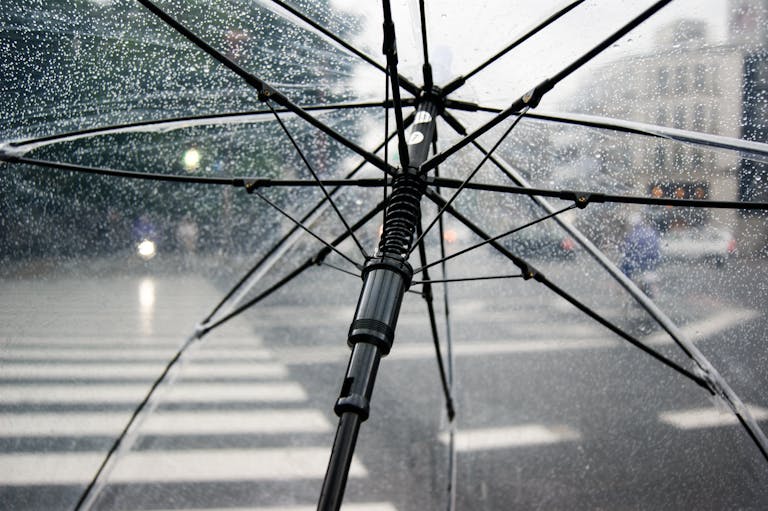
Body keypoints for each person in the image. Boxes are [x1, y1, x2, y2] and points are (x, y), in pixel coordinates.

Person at [620, 212, 661, 297]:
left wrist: (625, 276)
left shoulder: (632, 236)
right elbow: (658, 252)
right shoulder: (652, 232)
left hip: (638, 271)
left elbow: (627, 257)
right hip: (652, 269)